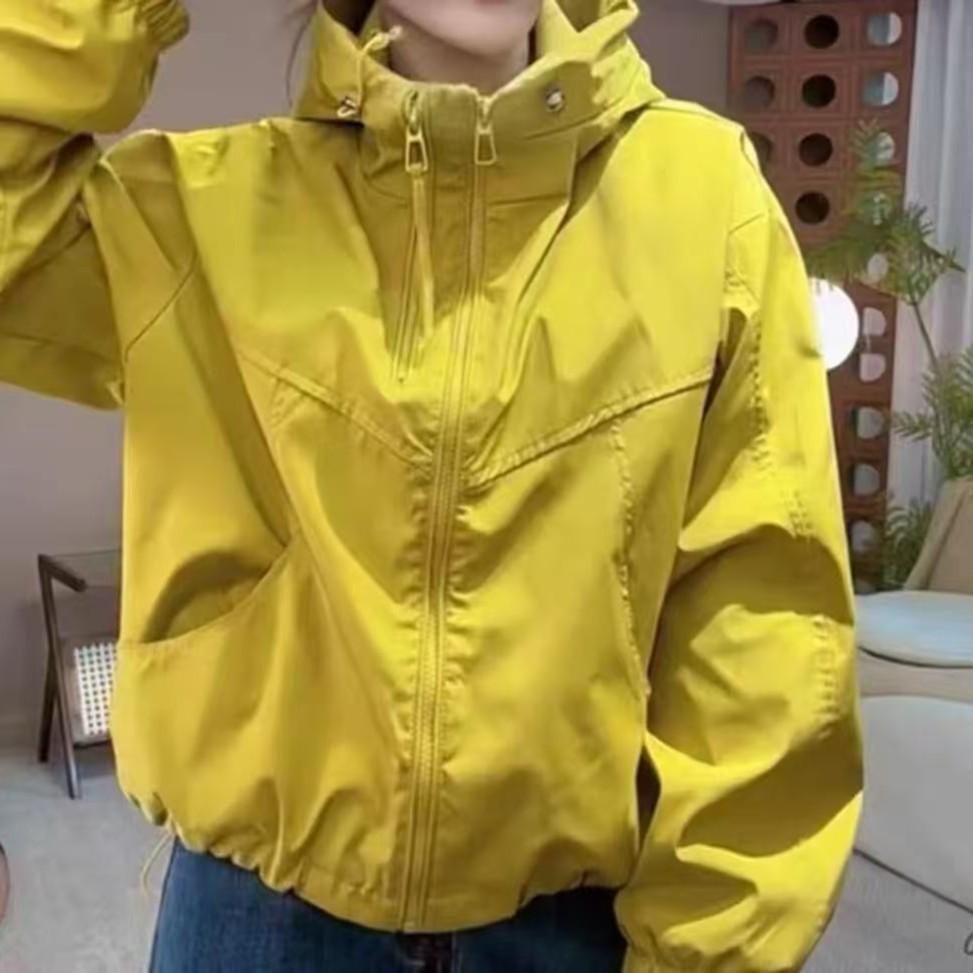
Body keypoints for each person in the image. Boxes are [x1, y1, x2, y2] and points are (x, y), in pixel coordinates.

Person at [0, 0, 864, 970]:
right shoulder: (200, 209)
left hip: (565, 929)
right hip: (257, 924)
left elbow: (759, 636)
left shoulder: (703, 200)